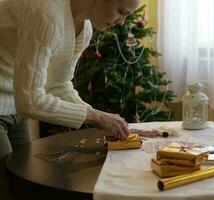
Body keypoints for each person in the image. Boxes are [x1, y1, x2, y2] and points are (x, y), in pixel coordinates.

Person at [0, 0, 140, 199]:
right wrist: (96, 117)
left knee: (25, 183)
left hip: (14, 102)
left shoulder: (85, 30)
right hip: (18, 100)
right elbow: (30, 100)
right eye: (121, 11)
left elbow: (58, 86)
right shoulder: (46, 11)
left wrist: (101, 117)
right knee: (6, 188)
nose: (122, 22)